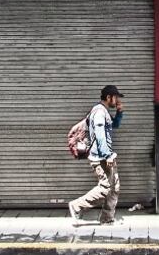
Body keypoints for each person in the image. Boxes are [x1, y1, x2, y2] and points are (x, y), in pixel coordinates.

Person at [69, 84, 124, 224]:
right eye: (115, 97)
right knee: (105, 187)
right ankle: (76, 206)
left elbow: (114, 125)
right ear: (108, 97)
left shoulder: (104, 111)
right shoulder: (99, 112)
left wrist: (119, 113)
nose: (117, 100)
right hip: (101, 158)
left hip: (105, 156)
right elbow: (100, 135)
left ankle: (107, 219)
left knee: (114, 187)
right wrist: (107, 155)